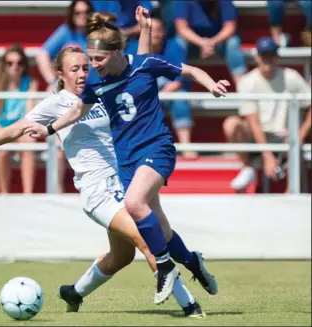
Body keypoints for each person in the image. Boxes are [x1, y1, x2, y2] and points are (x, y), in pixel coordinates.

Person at [0, 7, 205, 318]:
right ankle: (190, 306)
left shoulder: (102, 90)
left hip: (125, 177)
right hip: (97, 189)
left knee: (121, 256)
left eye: (85, 67)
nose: (82, 73)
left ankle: (73, 292)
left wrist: (144, 28)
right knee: (146, 238)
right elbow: (13, 130)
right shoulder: (55, 104)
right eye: (75, 69)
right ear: (60, 74)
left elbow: (139, 70)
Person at [26, 10, 229, 306]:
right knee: (160, 229)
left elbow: (189, 71)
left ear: (118, 52)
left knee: (134, 204)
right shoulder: (97, 83)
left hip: (156, 148)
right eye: (90, 60)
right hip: (127, 161)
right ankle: (193, 262)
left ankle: (165, 269)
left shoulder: (146, 64)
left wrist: (210, 83)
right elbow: (75, 112)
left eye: (98, 60)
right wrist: (49, 128)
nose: (91, 67)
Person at [223, 37, 311, 192]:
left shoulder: (291, 77)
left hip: (285, 135)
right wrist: (268, 156)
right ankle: (248, 168)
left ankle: (292, 197)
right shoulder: (247, 82)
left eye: (270, 55)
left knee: (297, 152)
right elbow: (254, 122)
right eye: (264, 55)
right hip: (259, 135)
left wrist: (299, 135)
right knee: (231, 124)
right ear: (257, 56)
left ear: (277, 56)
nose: (267, 59)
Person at [37, 0, 95, 193]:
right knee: (61, 145)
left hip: (92, 98)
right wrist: (52, 81)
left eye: (86, 12)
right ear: (71, 14)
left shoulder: (95, 36)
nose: (82, 15)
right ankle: (58, 191)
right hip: (68, 98)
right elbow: (42, 54)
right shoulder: (65, 31)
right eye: (78, 12)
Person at [143, 11, 197, 158]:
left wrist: (161, 94)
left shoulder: (174, 47)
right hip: (146, 93)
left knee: (180, 99)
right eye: (152, 30)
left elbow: (179, 79)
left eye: (159, 30)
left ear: (165, 31)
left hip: (170, 92)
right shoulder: (134, 48)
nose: (156, 34)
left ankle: (186, 145)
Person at [0, 44, 38, 194]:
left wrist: (31, 95)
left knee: (29, 146)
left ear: (24, 65)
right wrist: (7, 134)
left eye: (19, 63)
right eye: (10, 63)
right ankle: (4, 194)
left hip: (21, 130)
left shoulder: (30, 83)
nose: (15, 67)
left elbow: (30, 115)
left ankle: (28, 194)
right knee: (3, 151)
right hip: (0, 130)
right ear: (4, 65)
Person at [174, 0, 247, 85]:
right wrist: (202, 43)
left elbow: (230, 27)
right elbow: (182, 28)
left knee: (233, 42)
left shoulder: (225, 2)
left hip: (219, 44)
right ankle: (177, 83)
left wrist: (212, 42)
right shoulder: (184, 2)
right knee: (178, 42)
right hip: (194, 44)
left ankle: (242, 84)